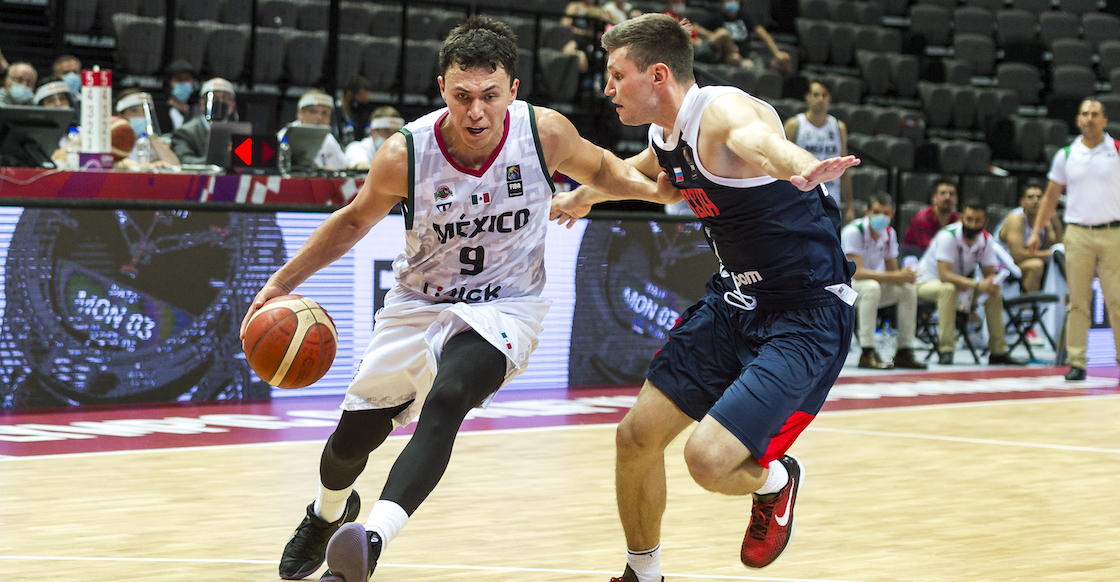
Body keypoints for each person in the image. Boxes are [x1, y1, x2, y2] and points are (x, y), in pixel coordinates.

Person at [245, 16, 666, 582]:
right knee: (348, 447)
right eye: (462, 95)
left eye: (490, 96)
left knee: (450, 398)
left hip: (508, 305)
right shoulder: (406, 153)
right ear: (442, 89)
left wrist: (653, 188)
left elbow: (605, 169)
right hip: (419, 303)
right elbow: (351, 224)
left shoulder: (544, 134)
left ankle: (368, 543)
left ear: (512, 92)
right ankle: (327, 513)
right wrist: (282, 283)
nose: (476, 111)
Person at [549, 13, 860, 579]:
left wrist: (806, 167)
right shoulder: (664, 132)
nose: (607, 88)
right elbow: (649, 169)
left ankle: (776, 481)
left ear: (658, 75)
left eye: (617, 75)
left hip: (805, 313)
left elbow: (761, 144)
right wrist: (585, 198)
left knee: (708, 461)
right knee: (636, 436)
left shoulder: (721, 114)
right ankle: (642, 573)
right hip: (736, 302)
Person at [1028, 99, 1120, 382]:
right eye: (1084, 114)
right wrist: (1036, 231)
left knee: (1117, 299)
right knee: (1078, 301)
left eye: (1095, 114)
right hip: (1077, 233)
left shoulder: (1116, 150)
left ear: (1105, 120)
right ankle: (1077, 361)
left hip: (1113, 232)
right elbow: (1051, 196)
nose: (1089, 119)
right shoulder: (1066, 154)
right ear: (1077, 120)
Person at [914, 198, 1026, 366]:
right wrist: (976, 285)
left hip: (961, 286)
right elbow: (945, 275)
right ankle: (946, 349)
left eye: (978, 220)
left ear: (985, 222)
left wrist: (989, 283)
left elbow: (989, 275)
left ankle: (998, 351)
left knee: (993, 291)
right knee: (948, 289)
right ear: (961, 219)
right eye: (969, 219)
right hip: (927, 283)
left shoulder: (986, 240)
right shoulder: (948, 236)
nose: (973, 225)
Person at [842, 192, 927, 370]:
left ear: (893, 213)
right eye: (877, 212)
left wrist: (905, 275)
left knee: (907, 289)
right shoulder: (853, 231)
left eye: (886, 213)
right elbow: (856, 273)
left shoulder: (889, 234)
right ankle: (867, 351)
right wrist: (896, 276)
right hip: (845, 290)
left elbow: (892, 271)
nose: (882, 217)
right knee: (872, 287)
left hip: (869, 289)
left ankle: (904, 350)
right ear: (866, 212)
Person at [784, 78, 854, 223]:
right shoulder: (794, 125)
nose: (820, 99)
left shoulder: (838, 128)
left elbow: (845, 169)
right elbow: (781, 162)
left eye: (824, 95)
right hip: (800, 198)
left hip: (830, 198)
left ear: (829, 98)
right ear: (808, 97)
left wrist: (850, 205)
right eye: (816, 95)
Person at [996, 178, 1062, 293]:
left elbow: (1055, 244)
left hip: (1019, 265)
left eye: (1039, 197)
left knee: (1058, 264)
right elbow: (1018, 255)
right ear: (1022, 202)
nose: (1036, 201)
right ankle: (1027, 308)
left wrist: (1053, 219)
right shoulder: (1016, 219)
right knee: (1036, 266)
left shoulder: (1041, 219)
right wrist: (1050, 255)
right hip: (1001, 267)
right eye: (1030, 197)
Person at [697, 0, 792, 72]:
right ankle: (743, 64)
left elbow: (762, 33)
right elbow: (696, 28)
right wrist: (718, 36)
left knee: (782, 60)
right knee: (734, 58)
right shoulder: (716, 16)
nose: (733, 2)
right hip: (726, 56)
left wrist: (776, 53)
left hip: (747, 54)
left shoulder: (745, 16)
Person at [170, 77, 237, 165]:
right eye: (214, 98)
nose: (219, 103)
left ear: (232, 106)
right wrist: (219, 162)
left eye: (224, 98)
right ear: (202, 103)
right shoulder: (186, 132)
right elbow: (183, 160)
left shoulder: (238, 133)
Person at [278, 90, 346, 170]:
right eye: (313, 111)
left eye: (324, 113)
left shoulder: (329, 138)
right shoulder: (285, 136)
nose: (319, 117)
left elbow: (343, 167)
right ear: (300, 113)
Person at [114, 89, 179, 169]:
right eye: (135, 111)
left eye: (144, 111)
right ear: (120, 114)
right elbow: (114, 162)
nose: (141, 116)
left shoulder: (147, 139)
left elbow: (174, 165)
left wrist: (152, 138)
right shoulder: (113, 137)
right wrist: (147, 166)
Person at [902, 178, 960, 252]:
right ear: (934, 198)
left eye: (951, 194)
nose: (947, 197)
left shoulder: (959, 220)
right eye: (943, 193)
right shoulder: (921, 218)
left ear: (956, 199)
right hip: (914, 256)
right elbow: (927, 247)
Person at [344, 105, 404, 170]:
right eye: (386, 131)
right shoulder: (357, 148)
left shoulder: (404, 152)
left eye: (396, 132)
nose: (392, 137)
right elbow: (361, 164)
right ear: (372, 131)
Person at [157, 59, 200, 132]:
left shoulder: (197, 114)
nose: (184, 84)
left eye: (187, 79)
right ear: (168, 83)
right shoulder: (158, 113)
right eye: (179, 80)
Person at [333, 74, 374, 145]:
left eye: (365, 101)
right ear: (349, 94)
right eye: (360, 99)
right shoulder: (332, 112)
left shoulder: (362, 116)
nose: (362, 104)